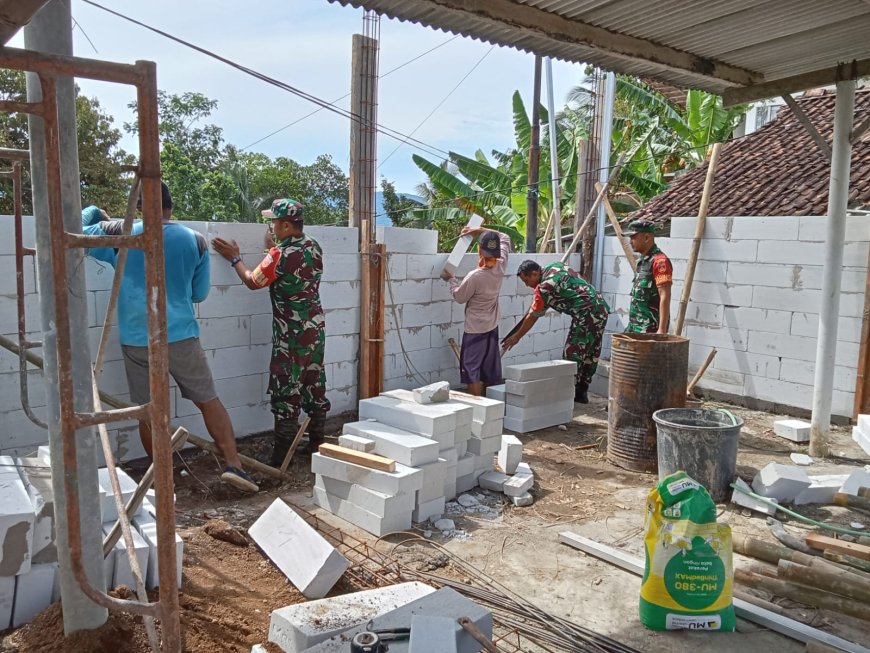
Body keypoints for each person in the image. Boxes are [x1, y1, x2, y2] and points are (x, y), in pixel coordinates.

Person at [83, 182, 258, 493]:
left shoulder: (119, 235)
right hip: (180, 334)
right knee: (208, 399)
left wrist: (98, 212)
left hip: (138, 337)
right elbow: (199, 294)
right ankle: (235, 465)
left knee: (149, 411)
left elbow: (78, 228)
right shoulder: (196, 240)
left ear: (138, 208)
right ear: (170, 205)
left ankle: (165, 478)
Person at [212, 198, 331, 465]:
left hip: (290, 336)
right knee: (314, 383)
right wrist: (273, 248)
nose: (271, 227)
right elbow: (294, 266)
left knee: (285, 389)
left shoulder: (280, 255)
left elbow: (254, 281)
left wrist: (234, 258)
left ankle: (280, 458)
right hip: (315, 330)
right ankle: (317, 445)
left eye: (274, 222)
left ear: (286, 225)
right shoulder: (314, 245)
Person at [502, 260, 609, 404]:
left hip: (585, 313)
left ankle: (567, 394)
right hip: (600, 307)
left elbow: (533, 317)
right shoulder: (555, 266)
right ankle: (581, 391)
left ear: (535, 273)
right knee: (591, 350)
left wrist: (516, 337)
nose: (527, 285)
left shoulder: (544, 288)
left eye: (526, 280)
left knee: (572, 353)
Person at [440, 226, 510, 396]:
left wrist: (452, 280)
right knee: (488, 371)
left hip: (475, 331)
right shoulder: (501, 266)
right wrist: (480, 229)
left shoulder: (475, 276)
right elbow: (505, 237)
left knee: (472, 372)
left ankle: (477, 410)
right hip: (492, 327)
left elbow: (459, 297)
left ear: (479, 251)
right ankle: (488, 410)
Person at [623, 219, 673, 334]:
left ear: (646, 238)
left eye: (633, 237)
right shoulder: (643, 261)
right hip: (635, 326)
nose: (630, 242)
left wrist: (661, 330)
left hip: (649, 329)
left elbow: (665, 296)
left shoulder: (660, 262)